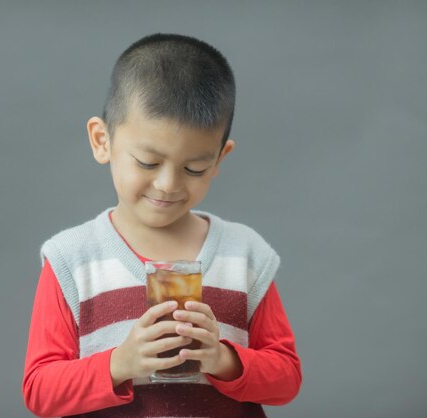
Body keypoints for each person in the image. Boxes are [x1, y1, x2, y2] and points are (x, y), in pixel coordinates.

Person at [22, 33, 302, 417]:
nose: (168, 184)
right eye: (148, 163)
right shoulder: (72, 260)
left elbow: (287, 378)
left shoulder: (245, 255)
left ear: (221, 158)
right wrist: (120, 364)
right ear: (102, 140)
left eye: (194, 168)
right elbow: (39, 390)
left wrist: (223, 359)